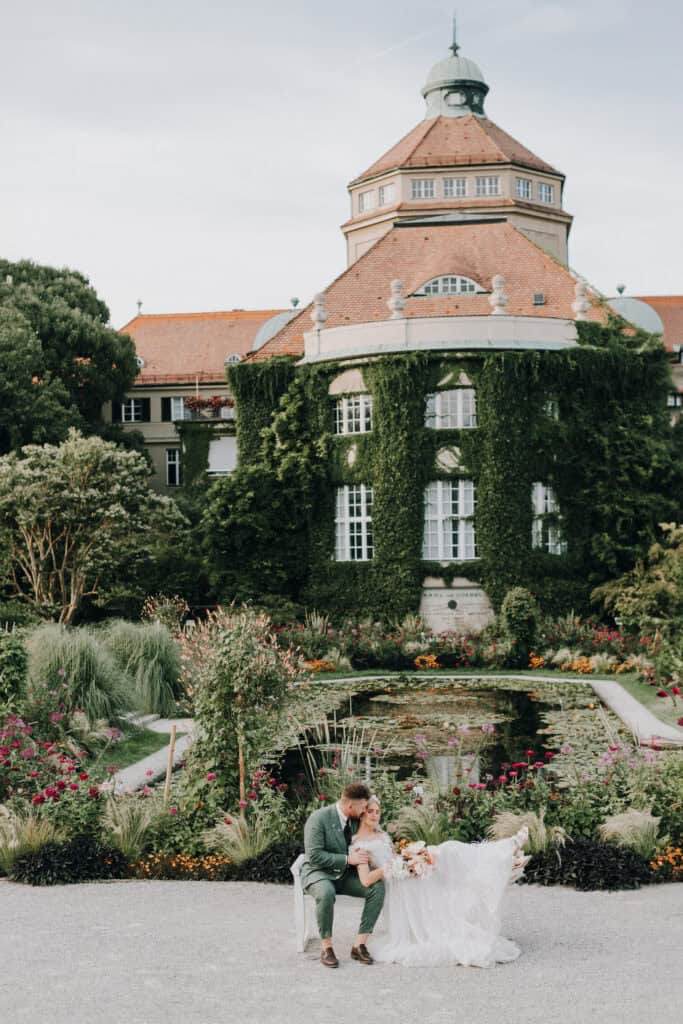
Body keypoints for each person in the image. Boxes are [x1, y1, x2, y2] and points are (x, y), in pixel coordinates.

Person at [350, 795, 530, 968]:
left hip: (407, 873)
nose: (375, 815)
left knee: (447, 852)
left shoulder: (382, 836)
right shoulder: (359, 844)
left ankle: (505, 852)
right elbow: (366, 880)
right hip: (398, 886)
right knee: (448, 860)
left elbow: (396, 856)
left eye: (377, 811)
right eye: (371, 811)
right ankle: (506, 857)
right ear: (362, 814)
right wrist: (391, 868)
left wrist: (411, 857)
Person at [300, 781, 385, 969]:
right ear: (349, 806)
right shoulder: (318, 818)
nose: (365, 811)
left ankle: (359, 945)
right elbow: (314, 856)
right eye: (363, 807)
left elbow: (372, 836)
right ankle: (326, 947)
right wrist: (348, 860)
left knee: (377, 887)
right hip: (318, 872)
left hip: (345, 876)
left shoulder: (357, 819)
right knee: (325, 893)